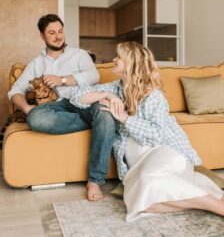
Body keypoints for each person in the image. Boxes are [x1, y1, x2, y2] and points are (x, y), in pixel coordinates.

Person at [70, 41, 224, 221]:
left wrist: (125, 119)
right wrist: (107, 95)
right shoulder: (115, 88)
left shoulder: (153, 95)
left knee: (148, 181)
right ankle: (201, 197)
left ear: (131, 64)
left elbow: (156, 136)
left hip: (164, 154)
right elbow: (76, 96)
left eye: (119, 57)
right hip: (136, 167)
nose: (114, 59)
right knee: (137, 201)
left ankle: (218, 207)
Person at [8, 14, 116, 201]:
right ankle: (93, 123)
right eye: (52, 33)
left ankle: (95, 180)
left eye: (60, 31)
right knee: (35, 119)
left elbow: (94, 76)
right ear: (42, 36)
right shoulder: (36, 64)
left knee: (104, 114)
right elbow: (15, 90)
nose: (58, 36)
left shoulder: (79, 55)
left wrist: (63, 80)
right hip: (57, 107)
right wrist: (26, 108)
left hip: (85, 100)